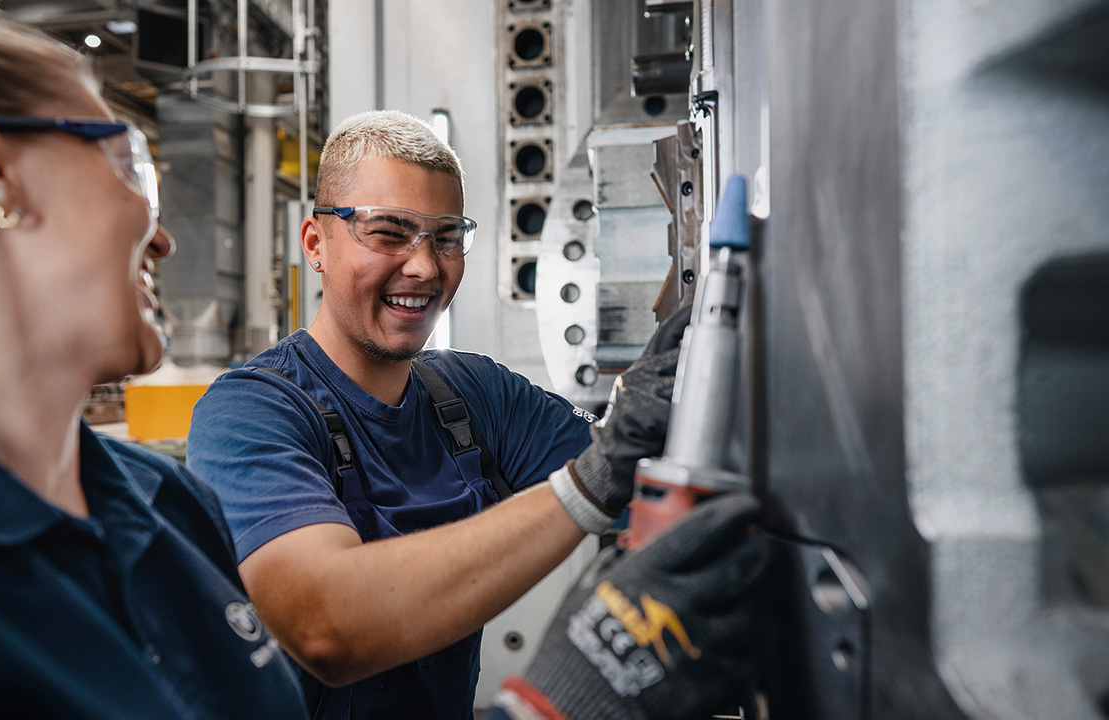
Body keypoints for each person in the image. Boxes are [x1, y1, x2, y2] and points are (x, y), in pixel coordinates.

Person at [0, 6, 770, 720]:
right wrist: (560, 695)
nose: (161, 241)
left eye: (446, 237)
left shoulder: (156, 508)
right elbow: (328, 628)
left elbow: (628, 470)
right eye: (131, 170)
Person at [184, 111, 733, 718]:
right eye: (390, 232)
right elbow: (326, 627)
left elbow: (644, 489)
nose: (425, 266)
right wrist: (590, 485)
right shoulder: (250, 413)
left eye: (446, 237)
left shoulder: (475, 396)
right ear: (317, 243)